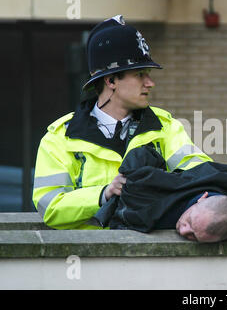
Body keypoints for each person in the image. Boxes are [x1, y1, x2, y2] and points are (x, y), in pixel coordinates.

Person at [32, 15, 211, 229]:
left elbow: (201, 174)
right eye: (140, 74)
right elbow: (49, 207)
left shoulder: (166, 127)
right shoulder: (59, 137)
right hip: (88, 257)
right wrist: (103, 193)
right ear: (111, 80)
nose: (150, 83)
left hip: (152, 257)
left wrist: (200, 197)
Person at [92, 144, 227, 242]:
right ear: (201, 199)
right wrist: (123, 177)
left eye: (195, 237)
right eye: (190, 223)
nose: (184, 232)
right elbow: (144, 153)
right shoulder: (148, 190)